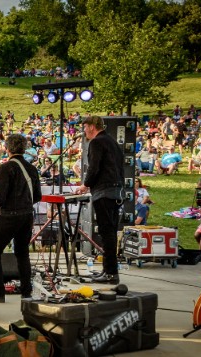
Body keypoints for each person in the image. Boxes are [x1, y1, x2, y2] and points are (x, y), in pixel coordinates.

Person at [0, 135, 42, 303]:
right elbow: (37, 196)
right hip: (27, 215)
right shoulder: (31, 168)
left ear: (7, 148)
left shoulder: (6, 168)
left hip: (10, 216)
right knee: (22, 253)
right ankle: (26, 292)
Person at [75, 116, 124, 285]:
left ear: (92, 126)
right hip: (115, 192)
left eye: (85, 127)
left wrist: (85, 185)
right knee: (109, 232)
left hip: (104, 192)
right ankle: (109, 270)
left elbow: (94, 167)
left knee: (107, 233)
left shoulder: (96, 142)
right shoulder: (112, 142)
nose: (84, 131)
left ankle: (111, 273)